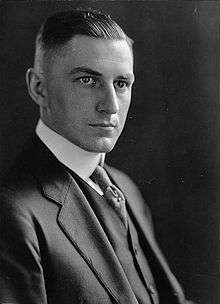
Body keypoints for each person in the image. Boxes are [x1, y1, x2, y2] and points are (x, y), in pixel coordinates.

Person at [0, 8, 194, 304]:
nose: (111, 106)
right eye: (88, 81)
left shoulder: (124, 187)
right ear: (39, 88)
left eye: (121, 84)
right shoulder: (13, 212)